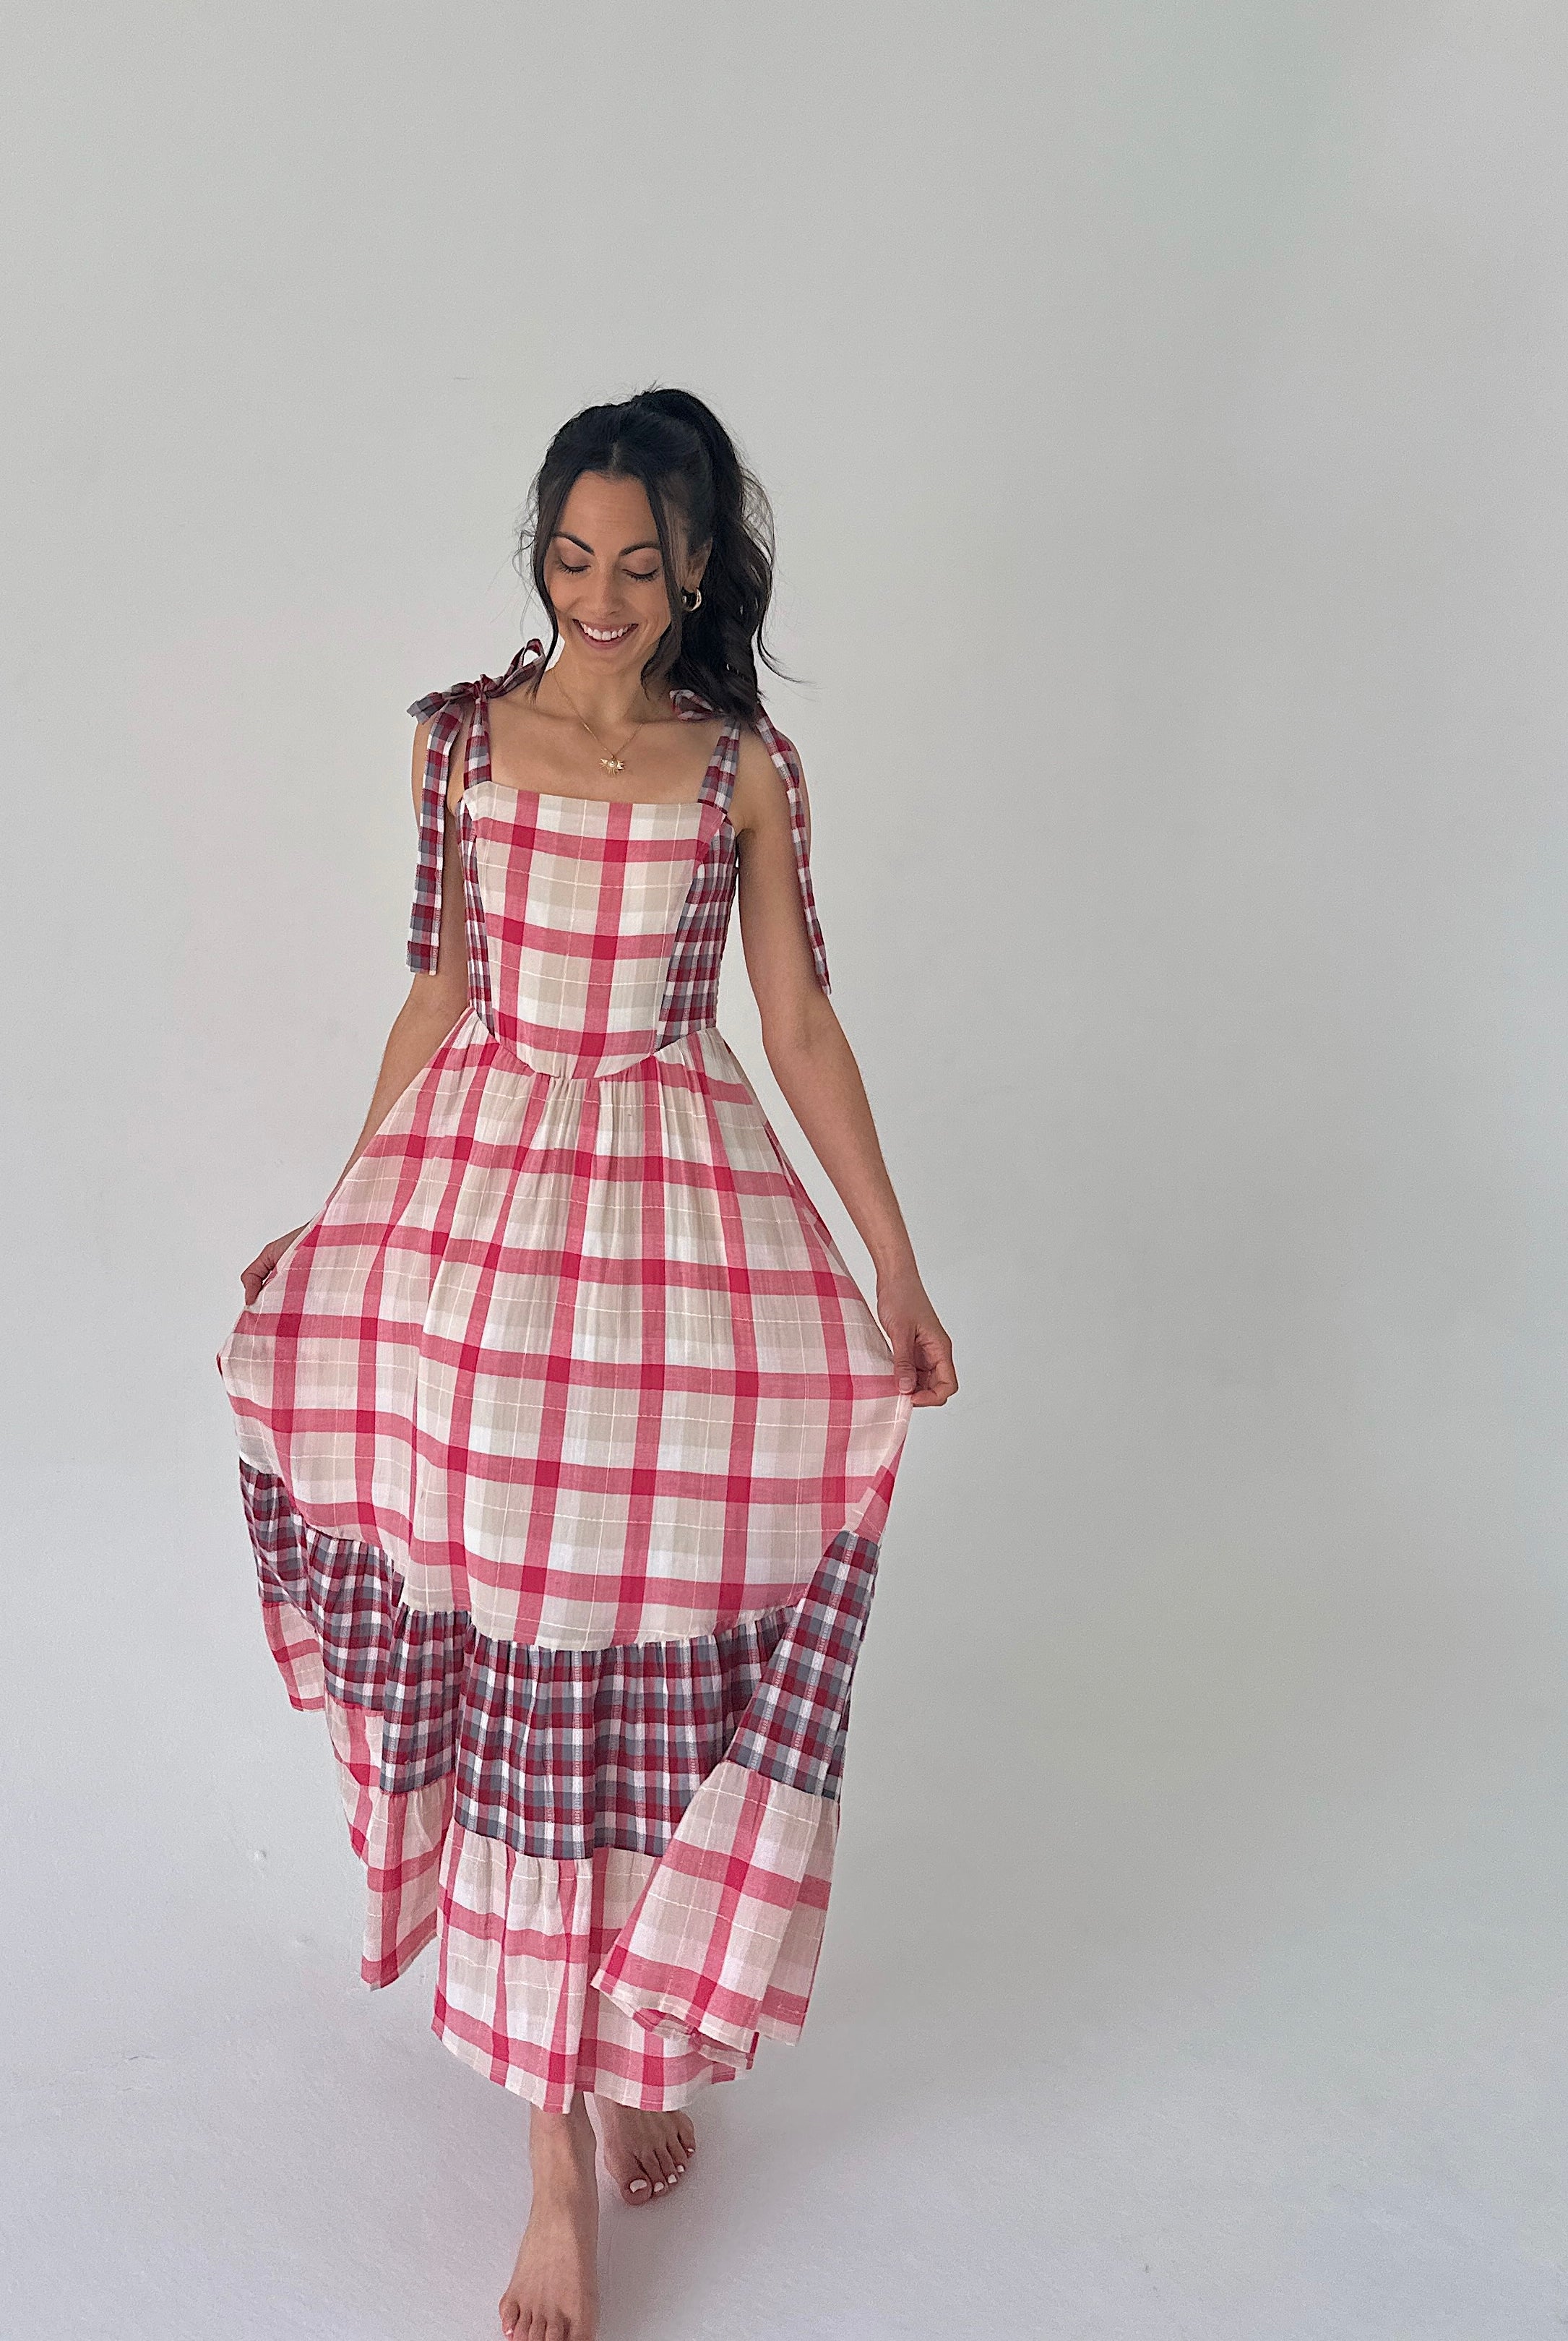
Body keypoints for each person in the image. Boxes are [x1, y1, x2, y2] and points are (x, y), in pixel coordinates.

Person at [216, 386, 957, 2341]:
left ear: (701, 567)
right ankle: (549, 2151)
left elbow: (797, 1027)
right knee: (520, 1634)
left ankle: (632, 2019)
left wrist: (891, 1260)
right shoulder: (456, 745)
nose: (602, 592)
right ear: (535, 550)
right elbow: (441, 993)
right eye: (571, 554)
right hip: (482, 1224)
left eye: (642, 561)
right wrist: (337, 1214)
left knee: (646, 1628)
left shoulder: (743, 773)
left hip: (674, 1223)